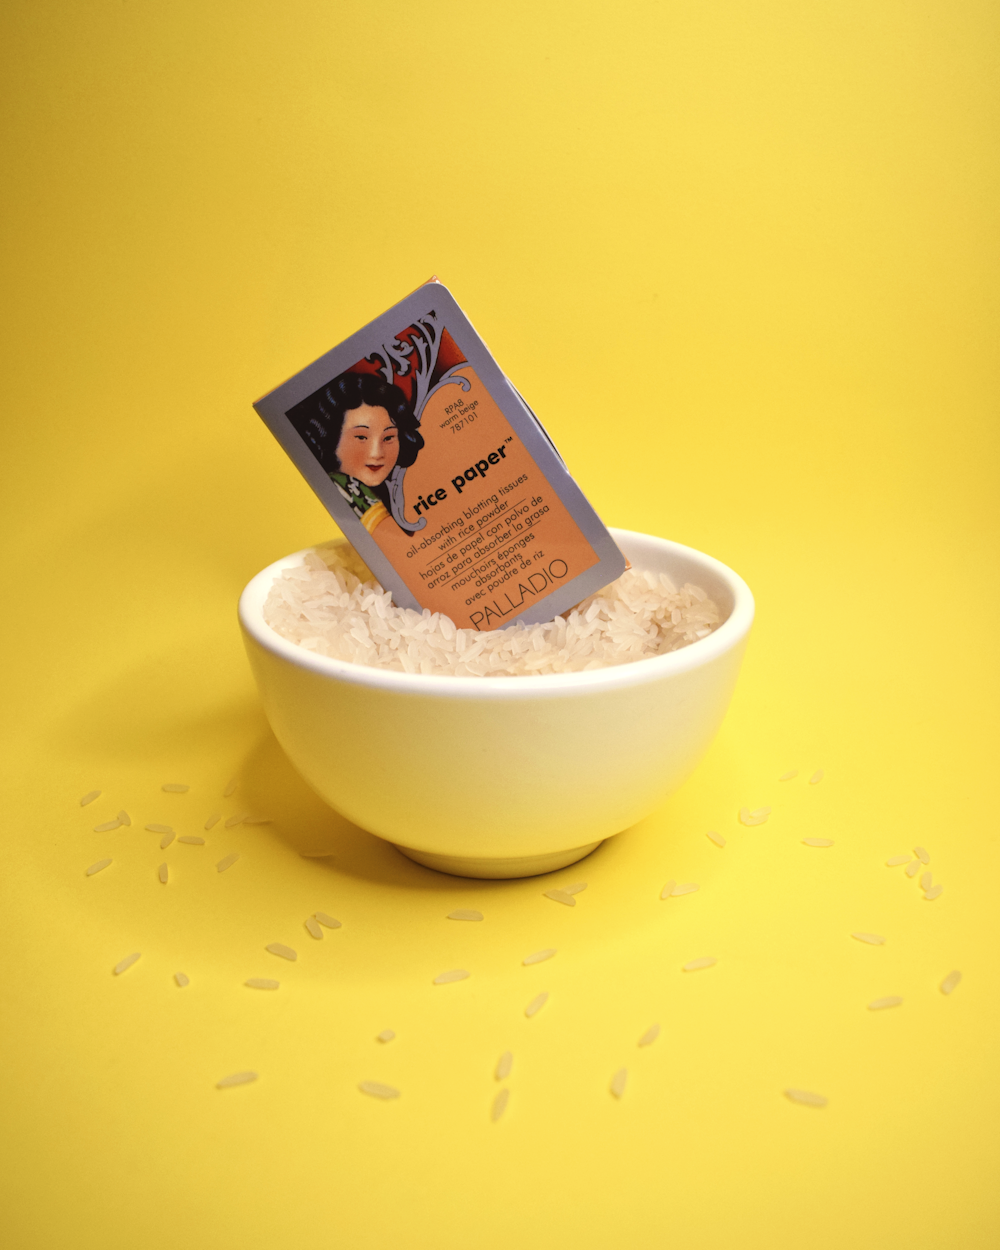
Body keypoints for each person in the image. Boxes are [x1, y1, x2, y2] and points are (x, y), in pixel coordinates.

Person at [291, 371, 425, 534]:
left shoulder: (394, 490)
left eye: (389, 437)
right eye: (361, 437)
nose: (377, 453)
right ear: (331, 436)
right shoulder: (342, 487)